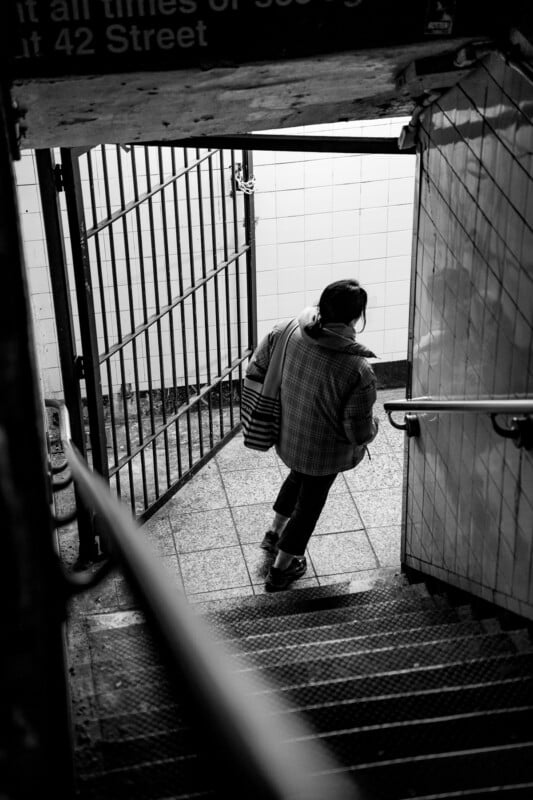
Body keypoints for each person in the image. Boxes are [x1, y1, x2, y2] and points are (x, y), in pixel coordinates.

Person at [245, 279, 379, 592]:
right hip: (324, 454)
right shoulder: (358, 369)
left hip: (289, 438)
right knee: (309, 507)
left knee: (296, 478)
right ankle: (282, 569)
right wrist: (374, 430)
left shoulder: (291, 330)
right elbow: (357, 431)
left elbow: (259, 365)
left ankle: (274, 533)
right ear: (356, 318)